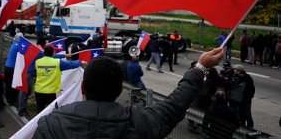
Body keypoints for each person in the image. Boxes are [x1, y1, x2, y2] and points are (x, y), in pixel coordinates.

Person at [33, 47, 224, 138]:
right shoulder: (142, 123)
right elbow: (176, 103)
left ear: (82, 88)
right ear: (118, 90)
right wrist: (200, 67)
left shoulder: (51, 124)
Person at [34, 45, 87, 113]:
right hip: (51, 92)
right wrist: (80, 62)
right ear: (53, 53)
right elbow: (71, 64)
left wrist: (65, 55)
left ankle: (38, 123)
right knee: (50, 112)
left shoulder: (38, 62)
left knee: (40, 111)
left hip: (38, 90)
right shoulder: (57, 62)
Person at [4, 40, 20, 106]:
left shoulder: (13, 44)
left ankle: (7, 98)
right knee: (14, 85)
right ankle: (11, 101)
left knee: (8, 84)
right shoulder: (19, 46)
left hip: (7, 66)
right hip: (12, 68)